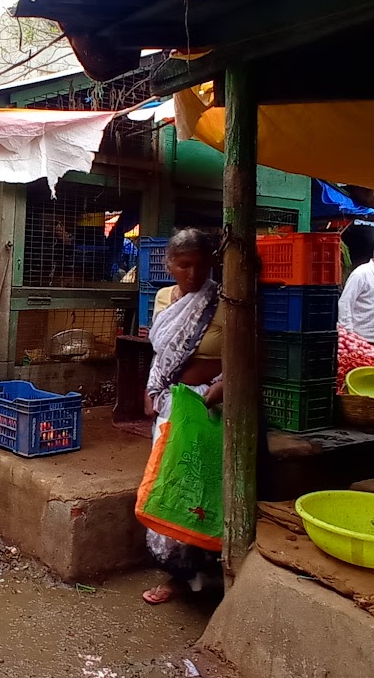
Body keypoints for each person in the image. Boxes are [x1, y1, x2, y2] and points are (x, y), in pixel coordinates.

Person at [140, 228, 225, 606]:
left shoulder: (223, 301)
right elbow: (162, 354)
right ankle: (176, 572)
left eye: (200, 265)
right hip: (173, 402)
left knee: (201, 488)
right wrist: (151, 389)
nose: (192, 274)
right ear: (169, 264)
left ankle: (208, 571)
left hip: (209, 407)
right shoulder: (164, 298)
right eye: (184, 265)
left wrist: (222, 387)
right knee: (171, 483)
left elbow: (247, 354)